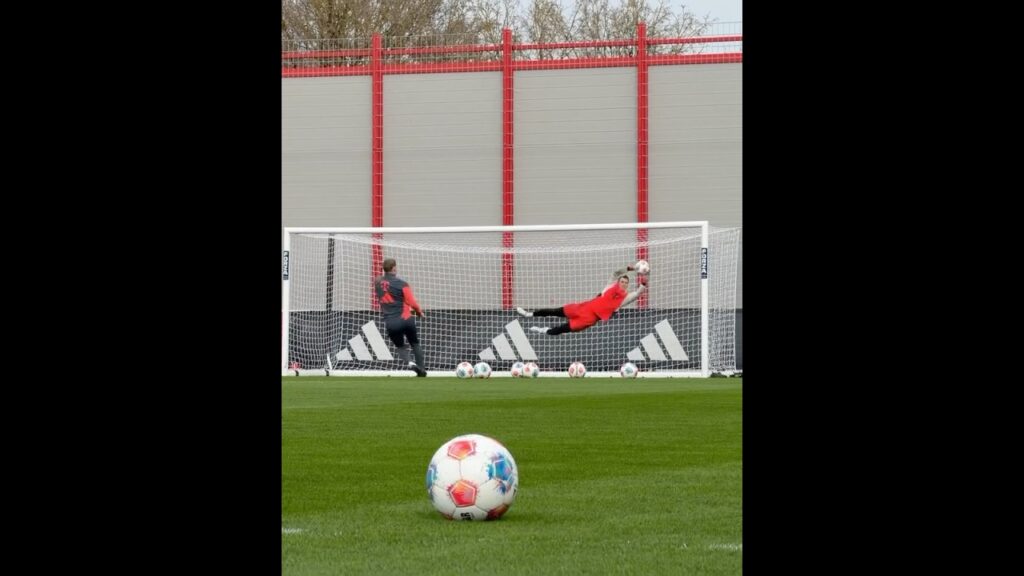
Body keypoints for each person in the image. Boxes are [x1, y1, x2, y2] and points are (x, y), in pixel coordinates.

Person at [517, 264, 648, 335]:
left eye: (626, 282)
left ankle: (542, 330)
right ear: (618, 282)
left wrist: (645, 279)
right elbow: (615, 273)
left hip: (589, 319)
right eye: (622, 281)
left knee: (561, 329)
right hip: (583, 307)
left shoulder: (624, 299)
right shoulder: (610, 286)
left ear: (627, 285)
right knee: (555, 311)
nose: (623, 283)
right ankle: (529, 314)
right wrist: (630, 268)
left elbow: (637, 293)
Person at [374, 258, 427, 376]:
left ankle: (410, 363)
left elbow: (379, 280)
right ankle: (422, 369)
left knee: (400, 346)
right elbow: (411, 302)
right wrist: (419, 312)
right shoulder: (402, 284)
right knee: (415, 343)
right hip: (406, 319)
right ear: (394, 268)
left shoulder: (377, 282)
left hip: (391, 323)